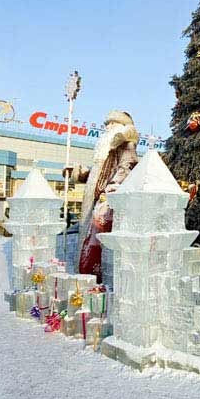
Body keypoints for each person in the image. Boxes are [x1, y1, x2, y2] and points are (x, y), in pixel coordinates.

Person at [68, 110, 139, 280]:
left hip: (107, 201)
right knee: (89, 235)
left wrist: (111, 191)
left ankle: (99, 276)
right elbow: (97, 174)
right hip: (95, 198)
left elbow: (126, 168)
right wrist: (79, 173)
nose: (108, 127)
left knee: (100, 239)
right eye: (107, 124)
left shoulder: (124, 144)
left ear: (122, 125)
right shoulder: (106, 153)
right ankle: (87, 273)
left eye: (112, 123)